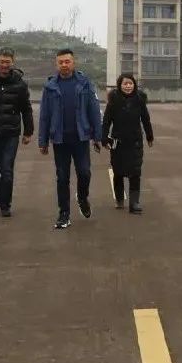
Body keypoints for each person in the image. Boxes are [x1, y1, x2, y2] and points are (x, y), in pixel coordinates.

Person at [38, 48, 102, 229]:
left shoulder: (85, 83)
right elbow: (44, 115)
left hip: (81, 138)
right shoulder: (50, 86)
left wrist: (97, 136)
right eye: (61, 62)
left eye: (67, 61)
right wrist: (43, 141)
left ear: (74, 62)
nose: (64, 65)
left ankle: (82, 197)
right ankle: (64, 213)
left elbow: (94, 110)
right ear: (56, 64)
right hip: (60, 139)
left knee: (84, 172)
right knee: (62, 177)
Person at [0, 47, 34, 218]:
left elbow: (26, 109)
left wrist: (28, 132)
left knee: (7, 170)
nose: (4, 65)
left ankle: (5, 204)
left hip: (10, 134)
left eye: (7, 62)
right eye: (2, 61)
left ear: (13, 63)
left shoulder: (20, 84)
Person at [101, 73, 153, 213]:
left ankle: (134, 203)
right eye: (125, 84)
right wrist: (104, 138)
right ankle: (119, 199)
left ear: (134, 85)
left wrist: (149, 136)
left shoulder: (139, 100)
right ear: (120, 85)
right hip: (118, 142)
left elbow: (146, 119)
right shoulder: (113, 101)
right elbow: (106, 121)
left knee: (135, 172)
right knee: (118, 171)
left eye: (130, 83)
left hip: (135, 141)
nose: (128, 86)